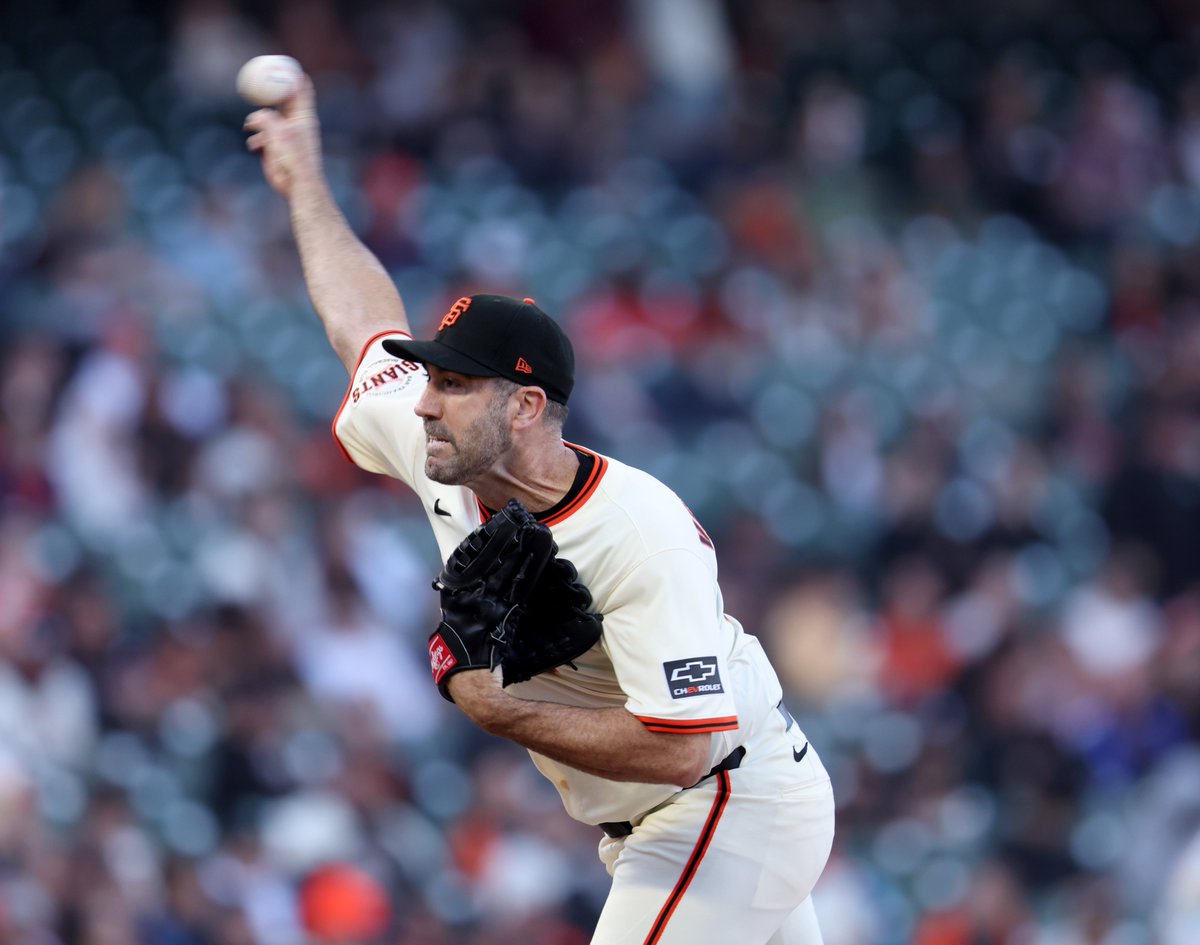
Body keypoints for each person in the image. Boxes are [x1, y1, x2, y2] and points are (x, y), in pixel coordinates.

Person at [244, 75, 835, 945]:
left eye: (451, 382)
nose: (423, 402)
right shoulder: (440, 445)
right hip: (671, 818)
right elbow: (360, 327)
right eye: (429, 377)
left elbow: (681, 747)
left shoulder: (641, 531)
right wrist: (307, 183)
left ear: (524, 406)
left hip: (724, 801)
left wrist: (497, 707)